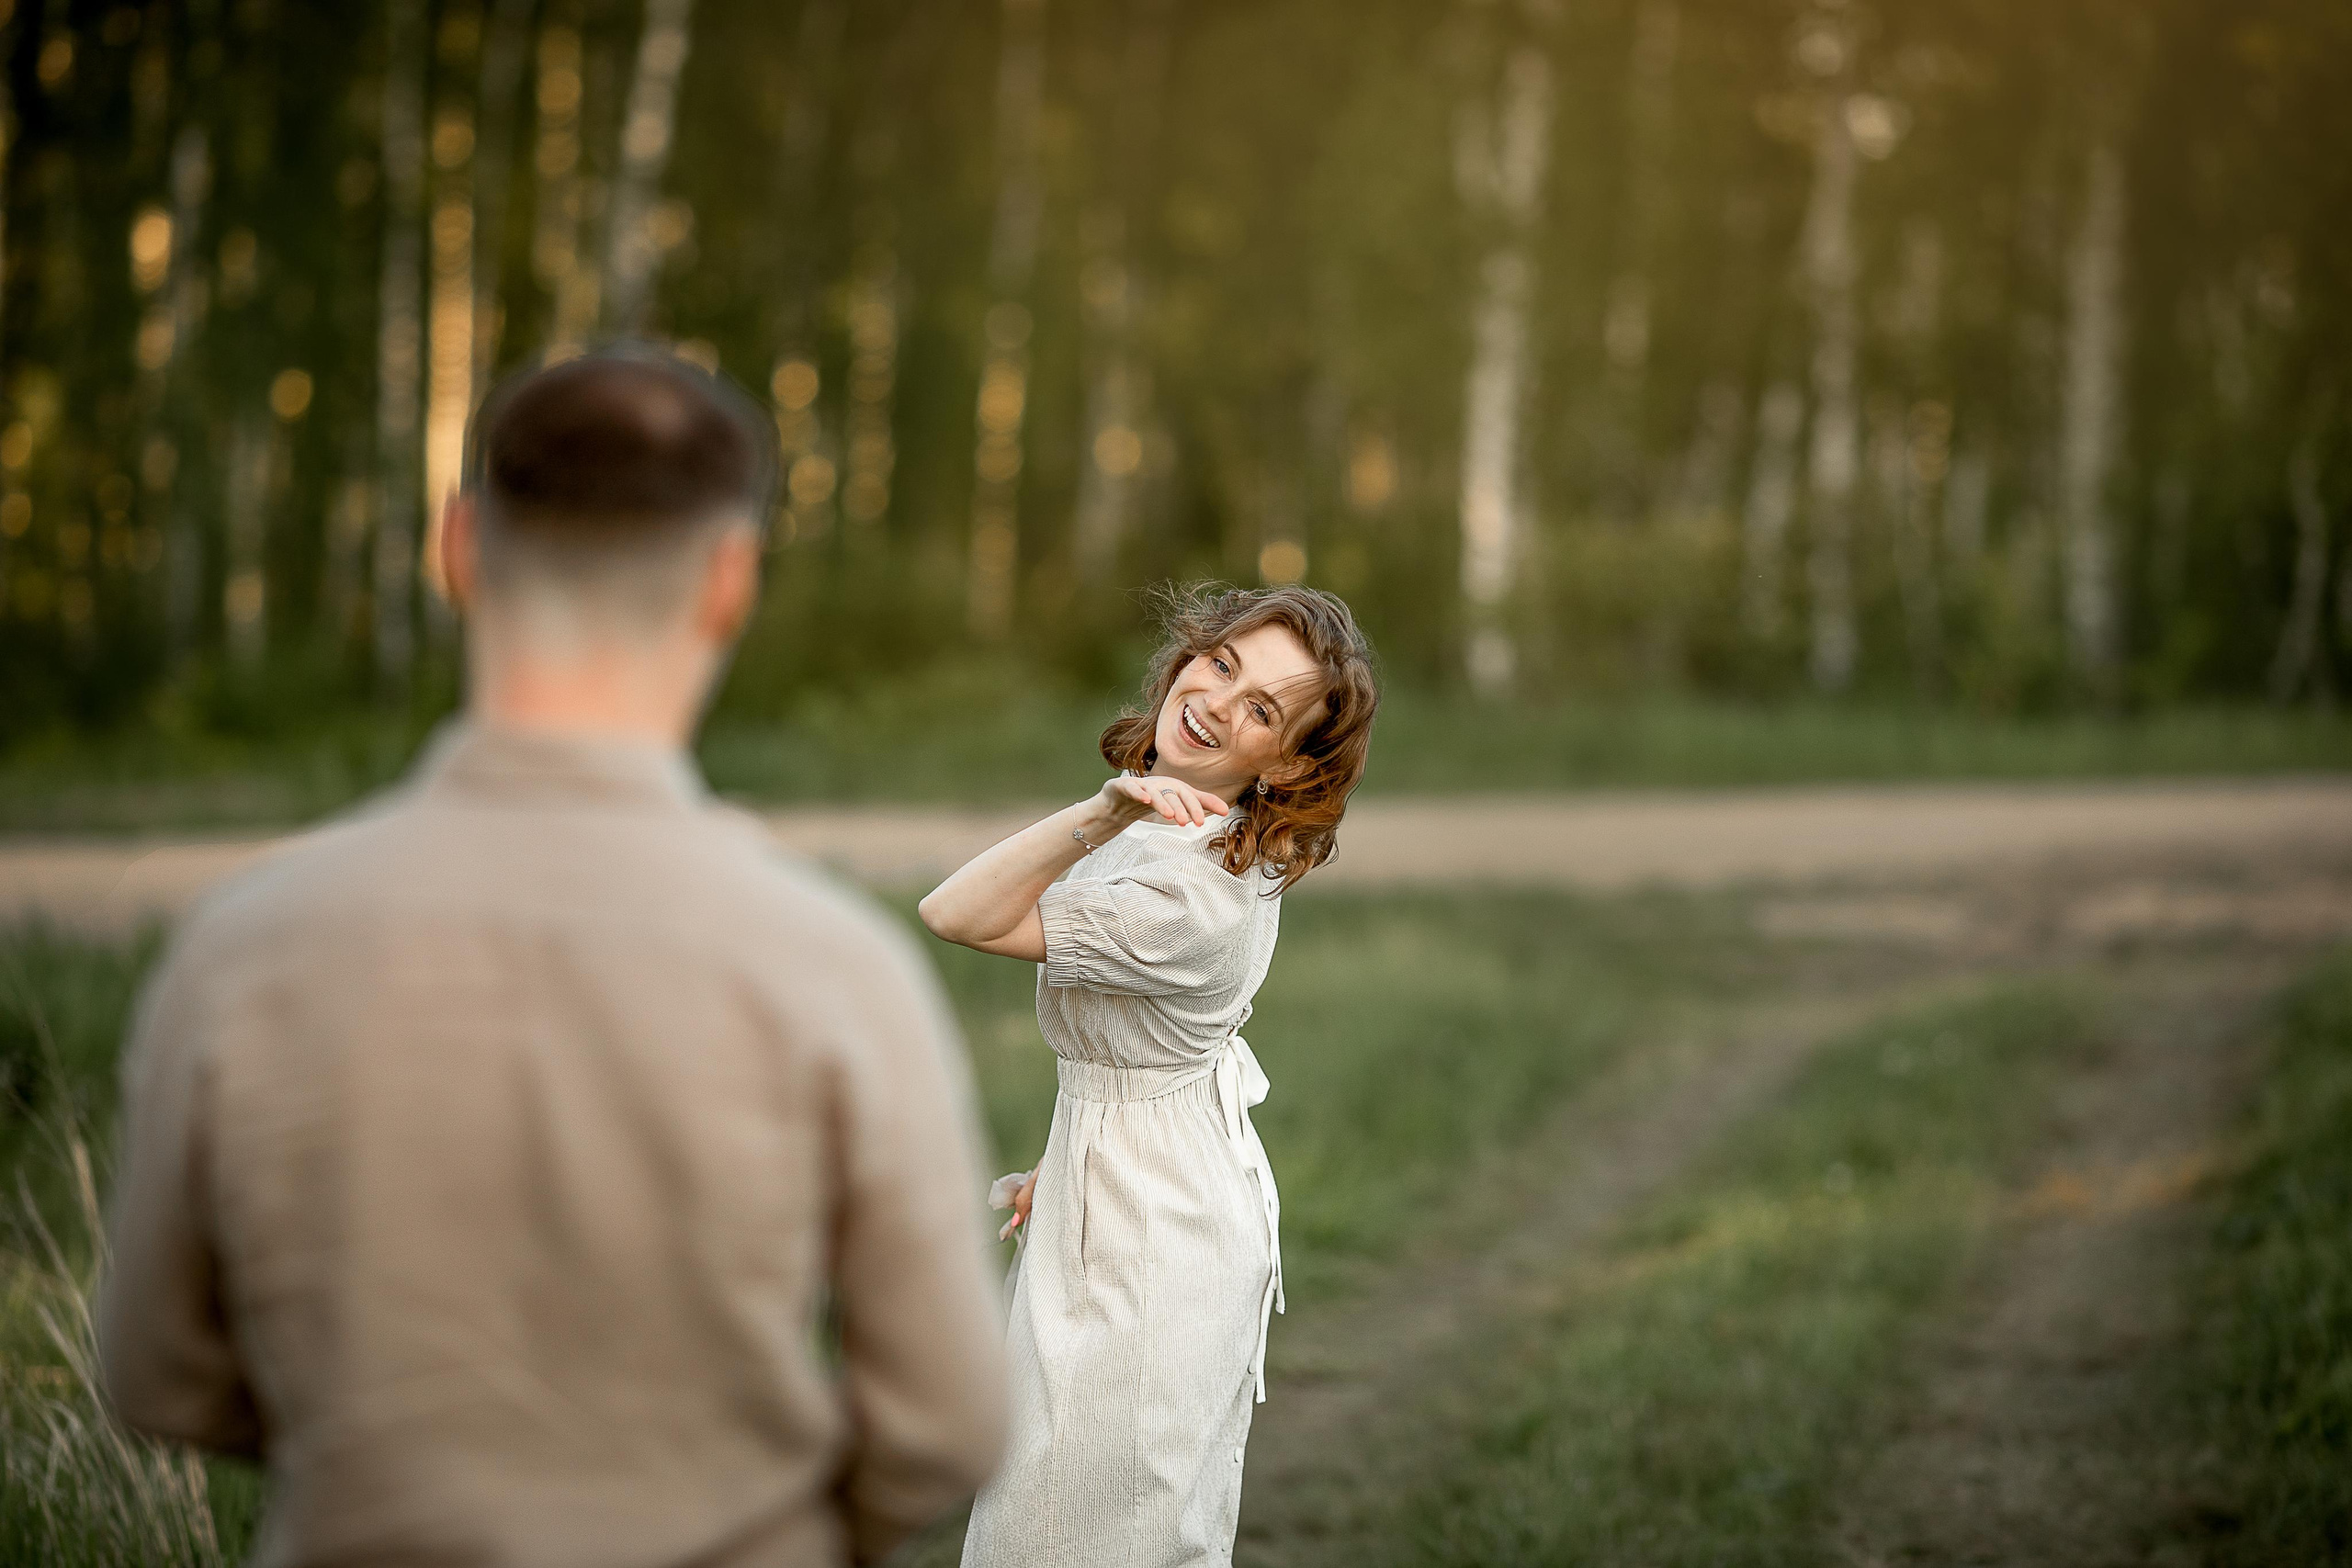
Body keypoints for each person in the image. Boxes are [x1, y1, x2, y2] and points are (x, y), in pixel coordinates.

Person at [97, 347, 1007, 1568]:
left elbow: (155, 1372)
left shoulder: (242, 946)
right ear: (730, 580)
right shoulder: (835, 966)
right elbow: (950, 1421)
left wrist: (383, 1459)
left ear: (459, 549)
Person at [920, 582, 1380, 1567]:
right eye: (1221, 663)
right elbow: (1155, 1045)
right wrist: (1090, 1139)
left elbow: (953, 914)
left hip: (1153, 1235)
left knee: (1084, 1526)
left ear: (1288, 761)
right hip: (1138, 1180)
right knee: (1070, 1510)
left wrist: (1091, 814)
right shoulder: (1190, 827)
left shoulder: (1186, 892)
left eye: (1260, 708)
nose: (1213, 699)